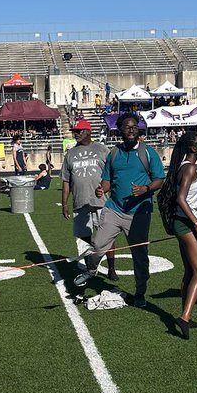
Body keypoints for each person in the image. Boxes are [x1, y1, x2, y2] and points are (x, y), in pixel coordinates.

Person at [74, 113, 165, 307]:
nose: (131, 130)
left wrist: (146, 189)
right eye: (127, 127)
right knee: (98, 244)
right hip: (114, 209)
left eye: (134, 126)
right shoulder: (114, 153)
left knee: (139, 256)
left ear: (138, 129)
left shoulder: (148, 153)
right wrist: (102, 188)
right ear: (120, 130)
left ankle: (140, 292)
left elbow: (159, 179)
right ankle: (91, 270)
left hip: (139, 213)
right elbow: (108, 179)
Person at [158, 130, 197, 339]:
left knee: (189, 272)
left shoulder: (183, 166)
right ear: (193, 148)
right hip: (186, 225)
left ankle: (185, 314)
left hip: (182, 223)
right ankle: (185, 317)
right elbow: (181, 199)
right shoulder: (189, 169)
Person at [61, 118, 117, 283]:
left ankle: (112, 268)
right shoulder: (70, 153)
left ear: (88, 131)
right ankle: (90, 269)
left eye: (79, 131)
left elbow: (113, 173)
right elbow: (66, 180)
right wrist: (64, 203)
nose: (76, 134)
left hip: (102, 202)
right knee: (84, 238)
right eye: (74, 131)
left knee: (107, 237)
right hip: (80, 202)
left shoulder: (102, 149)